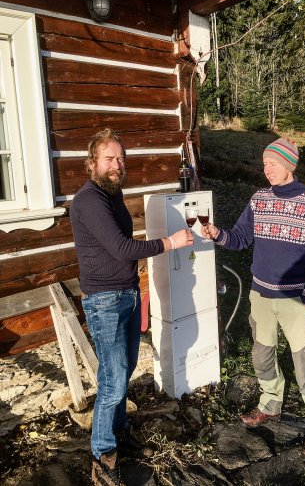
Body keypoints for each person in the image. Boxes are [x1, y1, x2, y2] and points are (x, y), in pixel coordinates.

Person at [70, 129, 193, 485]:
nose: (117, 164)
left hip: (126, 293)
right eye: (109, 158)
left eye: (121, 158)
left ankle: (119, 432)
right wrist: (170, 242)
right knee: (112, 379)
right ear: (92, 162)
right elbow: (122, 248)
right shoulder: (89, 199)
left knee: (122, 371)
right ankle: (103, 456)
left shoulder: (112, 194)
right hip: (105, 300)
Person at [201, 137, 305, 464]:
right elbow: (240, 238)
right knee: (261, 356)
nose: (266, 169)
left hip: (295, 299)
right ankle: (271, 403)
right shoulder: (259, 199)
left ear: (289, 165)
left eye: (272, 163)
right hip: (260, 295)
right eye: (264, 164)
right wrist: (218, 235)